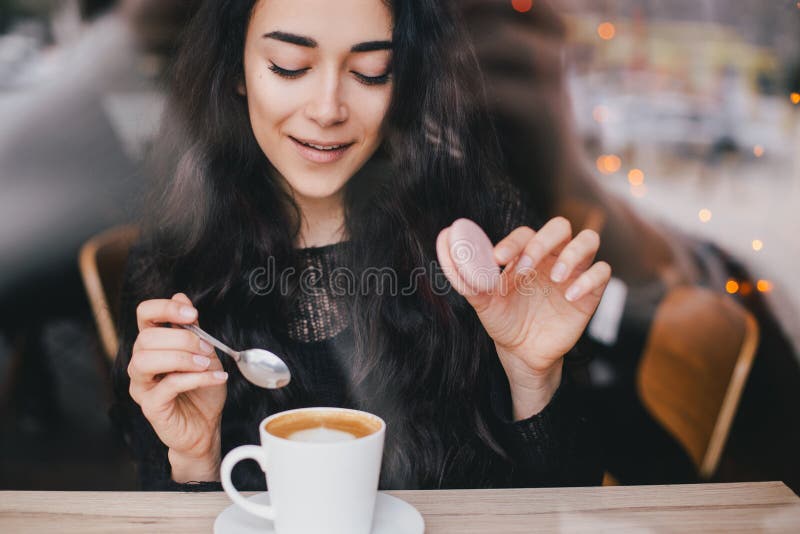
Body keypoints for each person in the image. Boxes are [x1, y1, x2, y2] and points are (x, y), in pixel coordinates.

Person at [110, 0, 611, 491]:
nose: (328, 110)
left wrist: (532, 378)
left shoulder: (483, 236)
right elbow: (164, 499)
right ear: (237, 70)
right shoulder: (180, 259)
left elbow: (566, 498)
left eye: (371, 72)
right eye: (290, 67)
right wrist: (195, 456)